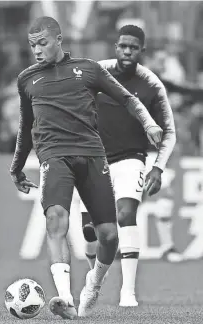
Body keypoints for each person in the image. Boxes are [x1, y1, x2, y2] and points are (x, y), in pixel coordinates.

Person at [10, 17, 162, 319]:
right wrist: (17, 167)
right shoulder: (27, 79)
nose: (37, 50)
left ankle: (93, 283)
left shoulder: (88, 69)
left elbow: (127, 98)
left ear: (58, 39)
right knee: (56, 219)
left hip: (92, 156)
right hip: (54, 156)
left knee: (107, 235)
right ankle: (65, 297)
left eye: (42, 43)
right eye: (32, 45)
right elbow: (26, 125)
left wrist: (148, 122)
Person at [80, 25, 176, 307]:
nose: (127, 51)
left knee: (125, 214)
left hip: (131, 158)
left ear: (141, 51)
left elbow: (169, 132)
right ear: (115, 46)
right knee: (91, 231)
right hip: (94, 160)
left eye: (133, 47)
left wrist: (157, 167)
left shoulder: (151, 85)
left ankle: (128, 293)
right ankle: (93, 281)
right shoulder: (96, 72)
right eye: (123, 46)